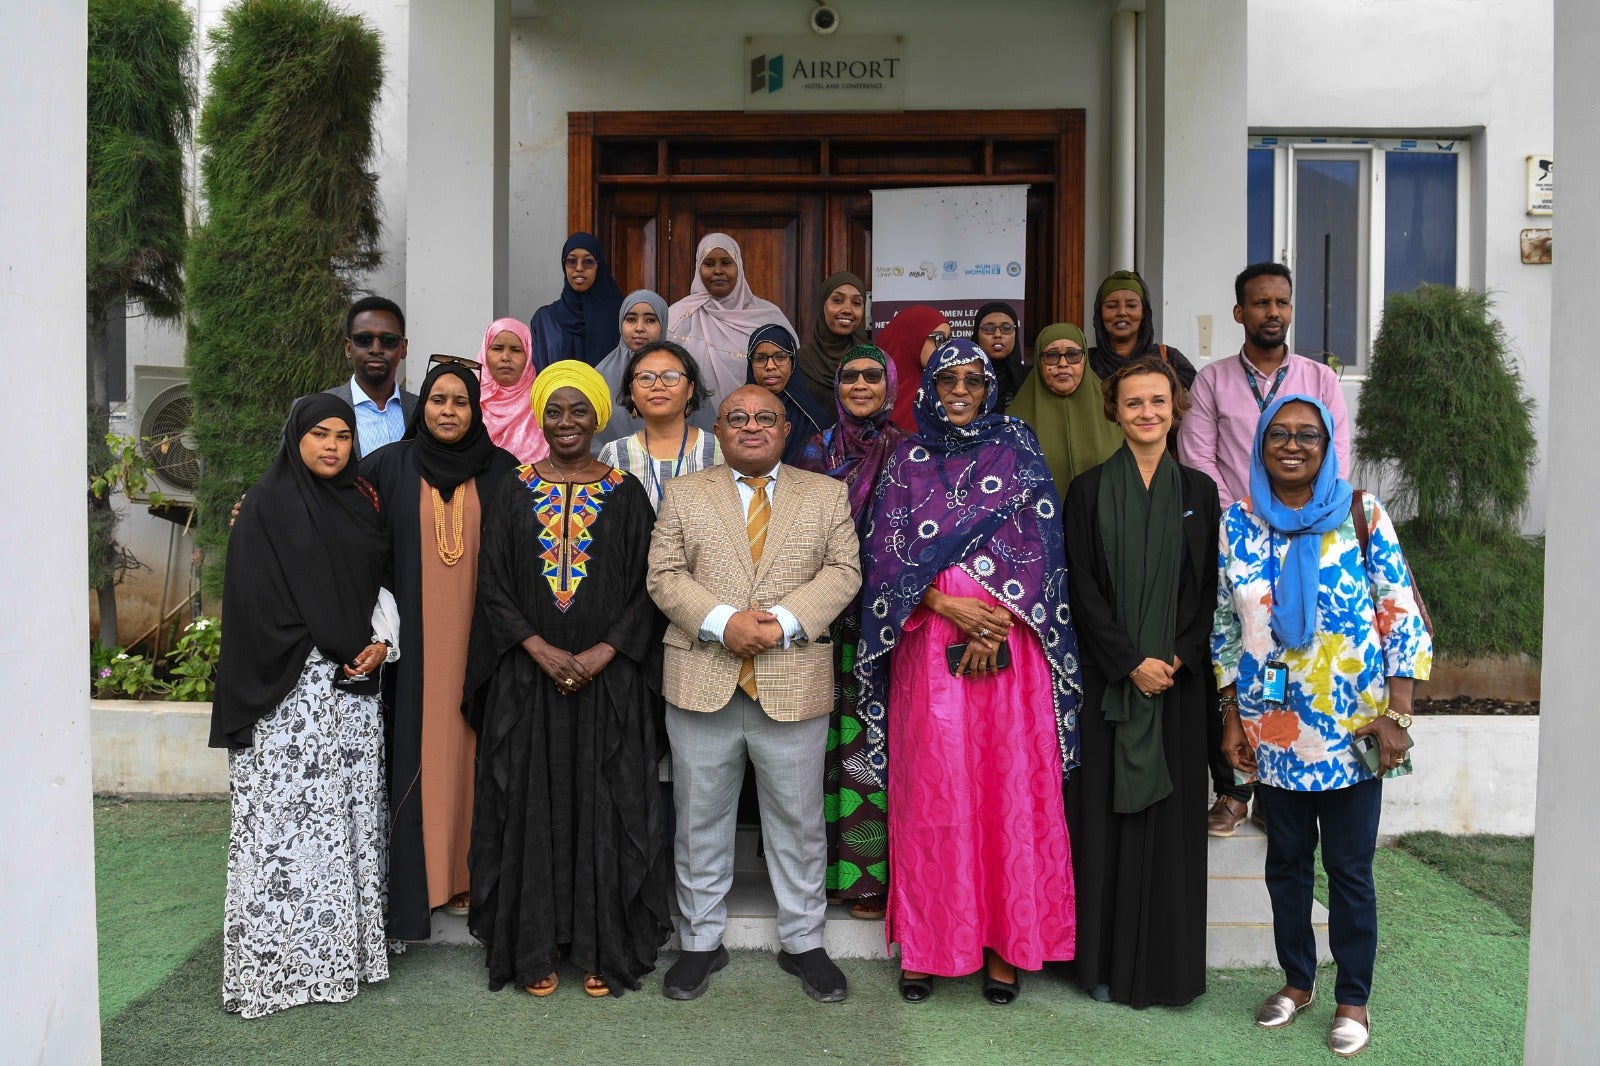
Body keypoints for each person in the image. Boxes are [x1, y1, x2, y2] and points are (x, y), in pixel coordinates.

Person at [856, 339, 1080, 1007]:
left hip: (1012, 656)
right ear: (928, 387)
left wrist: (995, 619)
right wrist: (948, 604)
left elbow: (1044, 549)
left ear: (990, 387)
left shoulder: (1018, 448)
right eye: (946, 379)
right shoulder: (908, 460)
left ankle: (1005, 948)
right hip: (929, 650)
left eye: (972, 380)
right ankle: (926, 947)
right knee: (935, 797)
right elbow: (885, 556)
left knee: (1004, 795)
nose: (959, 390)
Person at [1214, 395, 1431, 1059]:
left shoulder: (1362, 515)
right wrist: (1230, 715)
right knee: (1285, 863)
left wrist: (1398, 713)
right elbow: (1225, 624)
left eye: (1307, 434)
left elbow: (1399, 613)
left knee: (1348, 868)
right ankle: (1297, 981)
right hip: (1273, 729)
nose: (1292, 444)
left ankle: (1353, 996)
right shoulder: (1239, 523)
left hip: (1353, 724)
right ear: (1260, 444)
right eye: (1278, 433)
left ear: (1327, 442)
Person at [463, 360, 672, 998]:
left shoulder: (627, 493)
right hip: (529, 683)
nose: (565, 423)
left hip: (610, 687)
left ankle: (601, 949)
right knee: (530, 807)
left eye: (578, 410)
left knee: (606, 806)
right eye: (554, 411)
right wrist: (540, 650)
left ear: (599, 417)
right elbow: (493, 586)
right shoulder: (513, 488)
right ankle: (533, 951)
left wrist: (605, 652)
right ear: (540, 418)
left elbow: (648, 588)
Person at [646, 385, 861, 1004]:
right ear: (720, 429)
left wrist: (785, 622)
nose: (751, 426)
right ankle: (699, 942)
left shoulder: (826, 494)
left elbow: (844, 571)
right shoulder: (687, 493)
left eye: (765, 418)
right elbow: (663, 575)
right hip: (702, 678)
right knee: (698, 819)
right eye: (737, 417)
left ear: (785, 429)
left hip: (792, 678)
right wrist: (722, 623)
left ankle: (803, 943)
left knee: (797, 820)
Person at [210, 394, 393, 1018]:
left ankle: (344, 956)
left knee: (343, 820)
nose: (332, 446)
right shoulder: (266, 504)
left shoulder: (360, 503)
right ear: (296, 436)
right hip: (289, 695)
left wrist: (377, 645)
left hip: (350, 693)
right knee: (289, 831)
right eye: (320, 433)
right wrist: (338, 641)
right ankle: (279, 968)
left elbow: (378, 586)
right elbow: (255, 604)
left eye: (343, 435)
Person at [1062, 357, 1220, 1008]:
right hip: (1111, 685)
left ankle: (1167, 972)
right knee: (1105, 827)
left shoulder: (1200, 493)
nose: (1147, 412)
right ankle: (1100, 966)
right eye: (1134, 403)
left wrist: (1178, 656)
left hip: (1178, 688)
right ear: (1114, 411)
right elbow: (1081, 589)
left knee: (1171, 828)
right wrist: (1129, 661)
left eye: (1158, 401)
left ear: (1176, 407)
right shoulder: (1089, 490)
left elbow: (1209, 588)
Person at [1179, 262, 1352, 837]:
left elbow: (1338, 457)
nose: (1272, 312)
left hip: (1308, 538)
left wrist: (1299, 515)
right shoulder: (1213, 381)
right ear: (1239, 313)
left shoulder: (1320, 379)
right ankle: (1233, 789)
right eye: (1260, 303)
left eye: (1281, 302)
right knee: (1236, 655)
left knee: (1298, 656)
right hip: (1238, 540)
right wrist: (1242, 519)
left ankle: (1284, 784)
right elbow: (1198, 460)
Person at [359, 361, 520, 941]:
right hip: (412, 655)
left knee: (479, 757)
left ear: (477, 410)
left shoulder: (505, 473)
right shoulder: (385, 469)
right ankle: (418, 888)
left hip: (486, 651)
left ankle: (473, 881)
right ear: (420, 406)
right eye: (437, 400)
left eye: (460, 401)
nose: (448, 411)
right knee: (418, 754)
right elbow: (344, 531)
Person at [795, 343, 905, 920]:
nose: (860, 385)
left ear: (889, 384)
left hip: (886, 624)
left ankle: (869, 881)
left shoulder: (909, 451)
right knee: (816, 751)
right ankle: (822, 877)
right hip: (823, 619)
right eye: (850, 377)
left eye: (872, 375)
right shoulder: (814, 450)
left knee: (872, 749)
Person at [668, 232, 798, 413]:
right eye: (709, 264)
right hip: (690, 427)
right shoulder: (677, 317)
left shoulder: (768, 317)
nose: (718, 270)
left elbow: (791, 376)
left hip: (754, 425)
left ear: (739, 267)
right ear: (699, 268)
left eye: (726, 263)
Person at [597, 339, 722, 511]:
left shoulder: (719, 451)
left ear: (690, 389)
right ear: (632, 392)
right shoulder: (615, 454)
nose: (657, 386)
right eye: (646, 378)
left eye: (670, 377)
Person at [1006, 322, 1124, 496]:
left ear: (1085, 359)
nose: (1063, 363)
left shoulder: (1114, 412)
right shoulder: (1014, 422)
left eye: (1073, 354)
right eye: (1052, 355)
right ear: (1039, 362)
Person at [594, 289, 704, 445]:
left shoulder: (682, 368)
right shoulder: (599, 376)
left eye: (650, 320)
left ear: (663, 324)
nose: (639, 328)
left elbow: (703, 428)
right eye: (631, 319)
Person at [315, 296, 418, 459]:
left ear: (403, 348)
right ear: (348, 348)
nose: (376, 349)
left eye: (388, 340)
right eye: (364, 340)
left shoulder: (423, 411)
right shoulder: (314, 411)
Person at [527, 232, 625, 369]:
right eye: (572, 261)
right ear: (564, 266)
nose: (579, 268)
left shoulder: (620, 317)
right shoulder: (544, 320)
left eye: (588, 262)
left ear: (599, 266)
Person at [1087, 270, 1197, 390]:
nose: (1122, 312)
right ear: (1100, 314)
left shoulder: (1170, 359)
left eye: (1131, 305)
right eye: (1112, 306)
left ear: (1144, 312)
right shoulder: (1084, 363)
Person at [746, 322, 834, 466]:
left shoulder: (813, 420)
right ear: (750, 364)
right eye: (761, 358)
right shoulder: (736, 415)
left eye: (780, 357)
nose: (770, 366)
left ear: (793, 362)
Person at [475, 317, 550, 464]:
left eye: (516, 350)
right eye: (497, 348)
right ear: (485, 352)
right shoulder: (467, 399)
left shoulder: (543, 402)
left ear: (528, 354)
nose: (505, 357)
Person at [794, 271, 870, 408]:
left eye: (857, 303)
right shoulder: (800, 360)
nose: (847, 309)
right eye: (837, 300)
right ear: (823, 304)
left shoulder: (872, 358)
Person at [877, 304, 952, 434]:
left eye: (949, 340)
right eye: (939, 339)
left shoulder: (946, 391)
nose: (946, 348)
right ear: (910, 339)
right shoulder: (870, 390)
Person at [970, 301, 1026, 411]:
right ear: (977, 334)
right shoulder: (963, 376)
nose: (997, 335)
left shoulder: (1027, 379)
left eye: (1006, 328)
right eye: (988, 328)